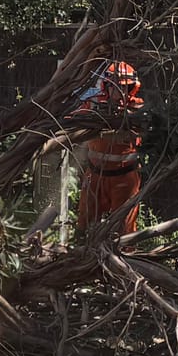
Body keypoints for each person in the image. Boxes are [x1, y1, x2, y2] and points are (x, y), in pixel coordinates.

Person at [75, 60, 143, 234]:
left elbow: (148, 133)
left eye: (125, 87)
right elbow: (74, 122)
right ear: (107, 86)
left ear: (132, 88)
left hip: (125, 178)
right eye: (115, 86)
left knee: (125, 228)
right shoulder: (93, 105)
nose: (119, 91)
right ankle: (82, 256)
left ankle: (125, 258)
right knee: (85, 223)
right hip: (95, 175)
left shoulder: (137, 109)